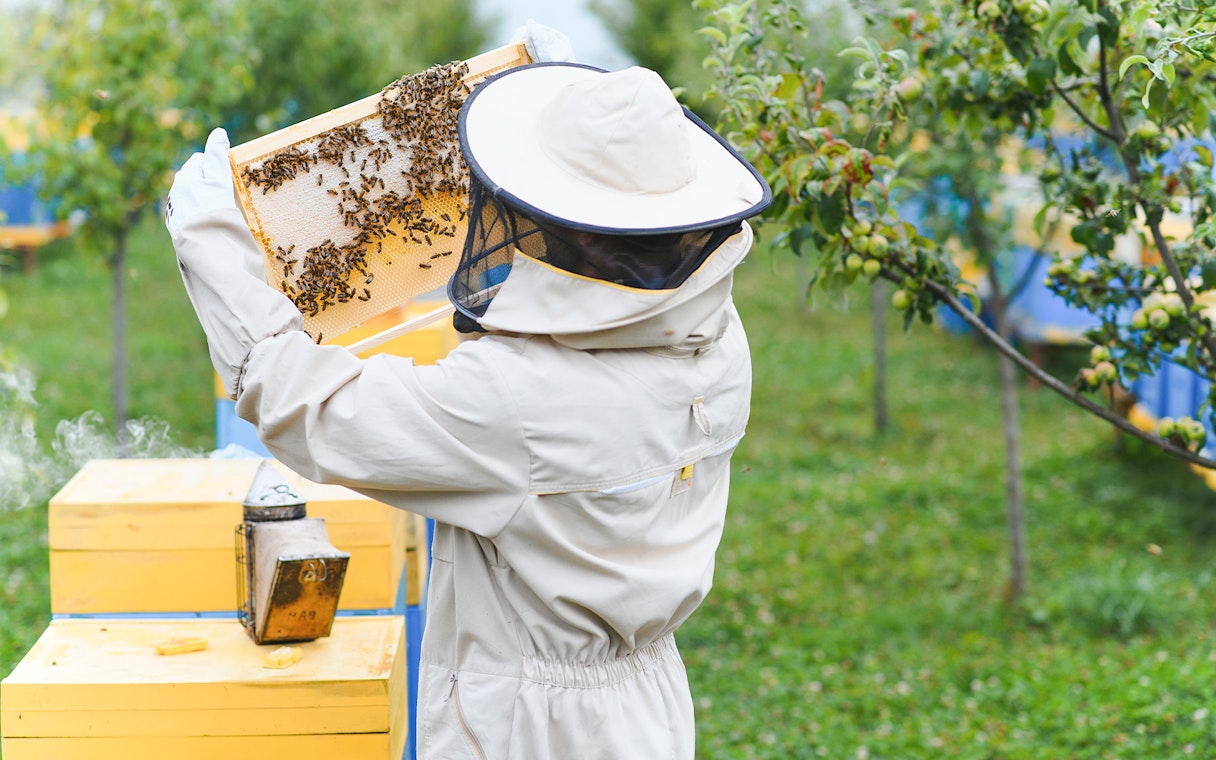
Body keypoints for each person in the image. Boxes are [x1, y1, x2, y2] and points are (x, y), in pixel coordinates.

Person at [166, 37, 771, 760]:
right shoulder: (718, 340)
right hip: (648, 710)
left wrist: (209, 239)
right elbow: (572, 325)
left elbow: (303, 402)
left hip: (530, 729)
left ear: (583, 240)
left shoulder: (520, 404)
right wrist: (572, 115)